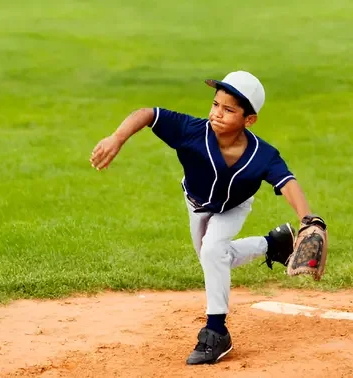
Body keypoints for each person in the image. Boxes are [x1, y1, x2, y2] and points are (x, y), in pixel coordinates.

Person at [89, 70, 320, 365]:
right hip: (195, 203)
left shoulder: (263, 155)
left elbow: (287, 182)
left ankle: (216, 331)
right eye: (215, 105)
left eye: (229, 109)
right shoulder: (192, 131)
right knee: (213, 258)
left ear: (249, 120)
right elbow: (149, 113)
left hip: (234, 207)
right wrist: (117, 138)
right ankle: (273, 244)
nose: (217, 114)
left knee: (213, 252)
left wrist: (307, 218)